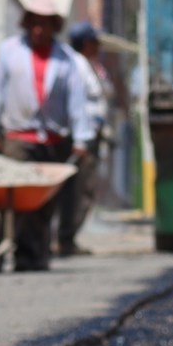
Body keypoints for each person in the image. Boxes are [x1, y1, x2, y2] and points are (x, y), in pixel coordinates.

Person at [0, 0, 95, 271]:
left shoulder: (67, 60)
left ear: (54, 26)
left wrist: (81, 138)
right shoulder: (10, 52)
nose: (39, 30)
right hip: (19, 137)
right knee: (21, 197)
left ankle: (37, 251)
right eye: (34, 23)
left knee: (45, 201)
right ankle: (25, 253)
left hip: (54, 140)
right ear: (27, 23)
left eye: (45, 24)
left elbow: (77, 102)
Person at [61, 22, 112, 256]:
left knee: (83, 190)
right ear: (85, 44)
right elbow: (79, 104)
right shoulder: (77, 65)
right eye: (94, 43)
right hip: (83, 137)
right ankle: (65, 238)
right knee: (80, 189)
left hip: (89, 135)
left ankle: (66, 237)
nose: (98, 47)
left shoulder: (87, 65)